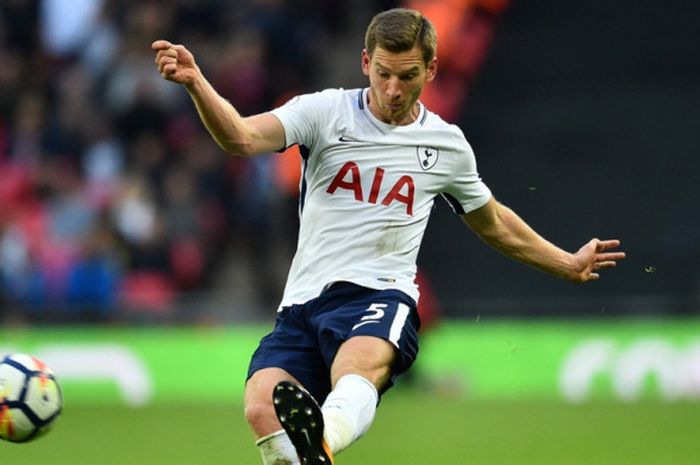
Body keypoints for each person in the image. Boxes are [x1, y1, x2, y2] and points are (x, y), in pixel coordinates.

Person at [152, 8, 625, 465]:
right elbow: (241, 137)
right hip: (302, 302)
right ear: (365, 62)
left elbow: (494, 221)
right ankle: (311, 451)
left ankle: (324, 440)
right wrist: (197, 84)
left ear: (431, 69)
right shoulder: (323, 112)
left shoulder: (446, 145)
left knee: (356, 368)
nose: (393, 89)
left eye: (408, 76)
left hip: (379, 294)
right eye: (383, 74)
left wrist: (566, 262)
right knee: (261, 409)